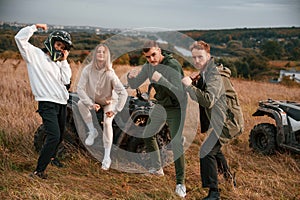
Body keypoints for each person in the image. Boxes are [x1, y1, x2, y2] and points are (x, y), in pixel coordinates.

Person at [127, 40, 187, 198]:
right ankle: (157, 168)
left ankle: (180, 183)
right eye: (147, 57)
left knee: (175, 142)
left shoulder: (172, 65)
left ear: (159, 51)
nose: (151, 59)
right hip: (161, 105)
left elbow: (179, 93)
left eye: (153, 55)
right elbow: (135, 84)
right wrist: (130, 77)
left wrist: (161, 80)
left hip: (176, 106)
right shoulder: (148, 66)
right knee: (147, 133)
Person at [15, 24, 73, 179]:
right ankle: (38, 171)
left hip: (61, 102)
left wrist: (64, 60)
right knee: (53, 135)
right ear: (51, 41)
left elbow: (66, 80)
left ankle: (52, 158)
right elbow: (19, 39)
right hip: (47, 103)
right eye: (58, 44)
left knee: (60, 135)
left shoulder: (59, 62)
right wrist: (34, 27)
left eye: (64, 47)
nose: (60, 48)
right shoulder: (35, 55)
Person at [182, 40, 235, 200]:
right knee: (214, 149)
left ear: (209, 56)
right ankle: (229, 179)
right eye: (194, 58)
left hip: (228, 122)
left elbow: (209, 100)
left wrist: (189, 87)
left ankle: (214, 193)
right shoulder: (206, 72)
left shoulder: (214, 75)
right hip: (220, 120)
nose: (197, 61)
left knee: (206, 151)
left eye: (200, 57)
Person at [77, 43, 128, 170]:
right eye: (98, 51)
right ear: (95, 54)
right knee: (79, 103)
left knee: (107, 123)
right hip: (93, 100)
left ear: (107, 56)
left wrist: (115, 110)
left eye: (103, 52)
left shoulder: (110, 73)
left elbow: (123, 93)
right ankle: (92, 131)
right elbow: (80, 88)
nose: (101, 54)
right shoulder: (88, 69)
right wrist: (90, 103)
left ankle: (106, 156)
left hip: (109, 102)